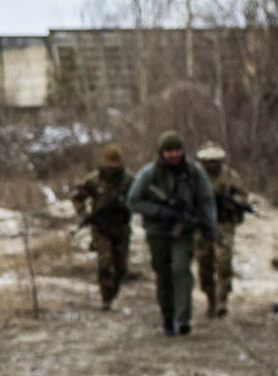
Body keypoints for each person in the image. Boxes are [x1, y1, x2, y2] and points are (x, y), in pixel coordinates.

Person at [126, 130, 216, 337]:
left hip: (183, 231)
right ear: (162, 153)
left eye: (177, 150)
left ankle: (183, 318)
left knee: (181, 269)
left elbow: (206, 198)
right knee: (163, 273)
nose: (174, 155)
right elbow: (133, 200)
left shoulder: (194, 172)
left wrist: (208, 225)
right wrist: (160, 211)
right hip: (157, 231)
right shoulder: (149, 173)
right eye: (169, 151)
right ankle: (168, 316)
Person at [69, 143, 133, 310]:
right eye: (109, 162)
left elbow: (139, 197)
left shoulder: (128, 180)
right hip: (101, 228)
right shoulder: (94, 180)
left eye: (115, 162)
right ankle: (106, 299)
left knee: (121, 267)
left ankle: (113, 292)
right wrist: (84, 215)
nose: (112, 165)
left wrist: (128, 208)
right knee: (104, 264)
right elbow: (77, 197)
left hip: (121, 227)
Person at [195, 143, 252, 318]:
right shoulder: (196, 177)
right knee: (204, 263)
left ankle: (222, 299)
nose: (212, 164)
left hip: (224, 223)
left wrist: (233, 200)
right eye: (208, 161)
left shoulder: (229, 176)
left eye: (215, 161)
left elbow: (243, 196)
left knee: (223, 261)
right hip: (202, 224)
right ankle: (210, 297)